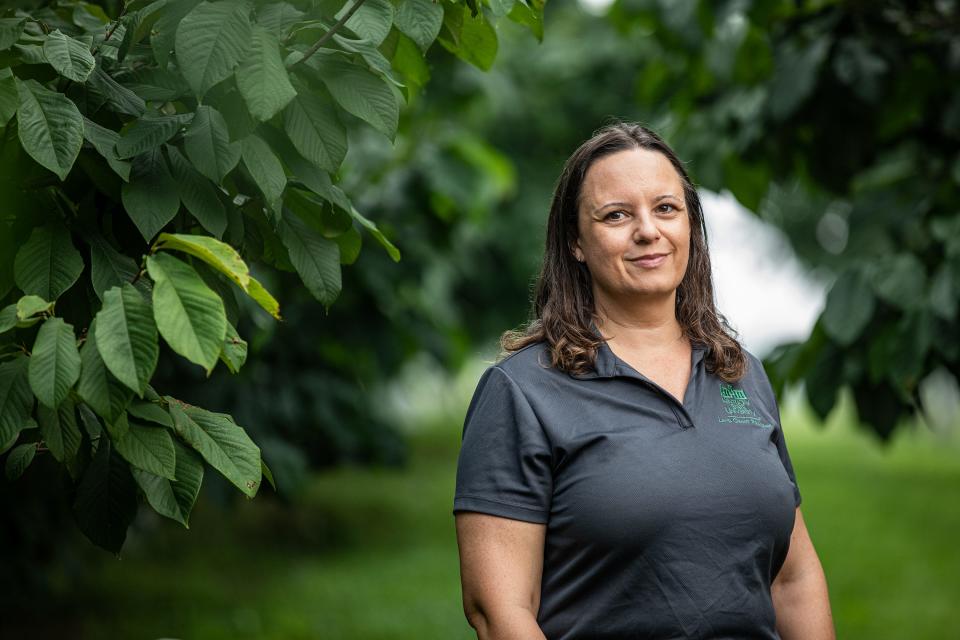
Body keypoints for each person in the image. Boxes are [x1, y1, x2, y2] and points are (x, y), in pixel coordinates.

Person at [452, 122, 835, 640]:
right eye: (616, 215)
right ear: (576, 243)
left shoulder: (739, 372)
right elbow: (498, 611)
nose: (648, 231)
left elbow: (794, 578)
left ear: (690, 227)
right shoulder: (522, 391)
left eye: (666, 208)